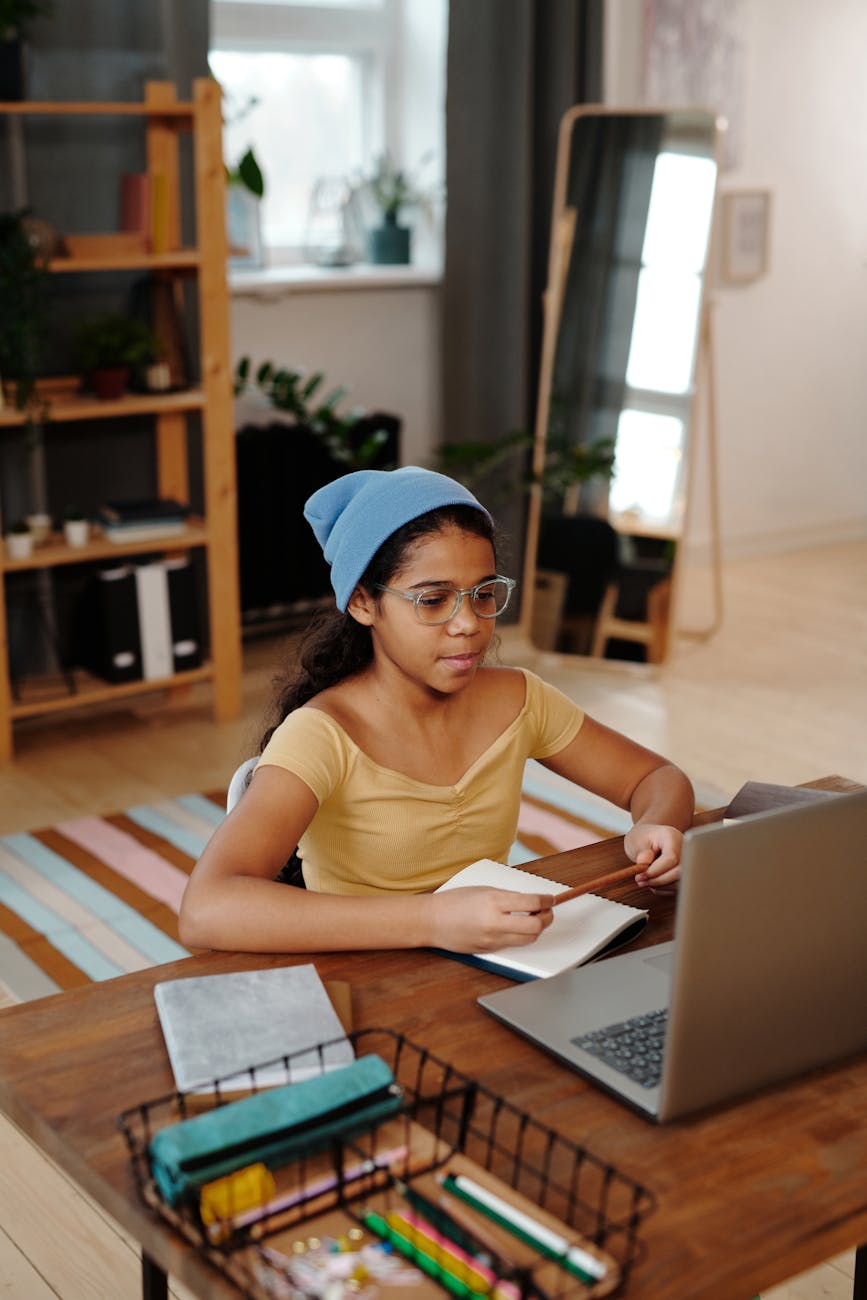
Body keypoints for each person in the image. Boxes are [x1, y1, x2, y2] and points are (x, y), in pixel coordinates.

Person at [179, 466, 694, 956]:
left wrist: (657, 826)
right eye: (432, 600)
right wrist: (433, 920)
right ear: (362, 603)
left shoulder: (520, 700)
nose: (468, 623)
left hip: (489, 955)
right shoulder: (324, 734)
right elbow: (206, 909)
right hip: (371, 973)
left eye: (483, 594)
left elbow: (656, 777)